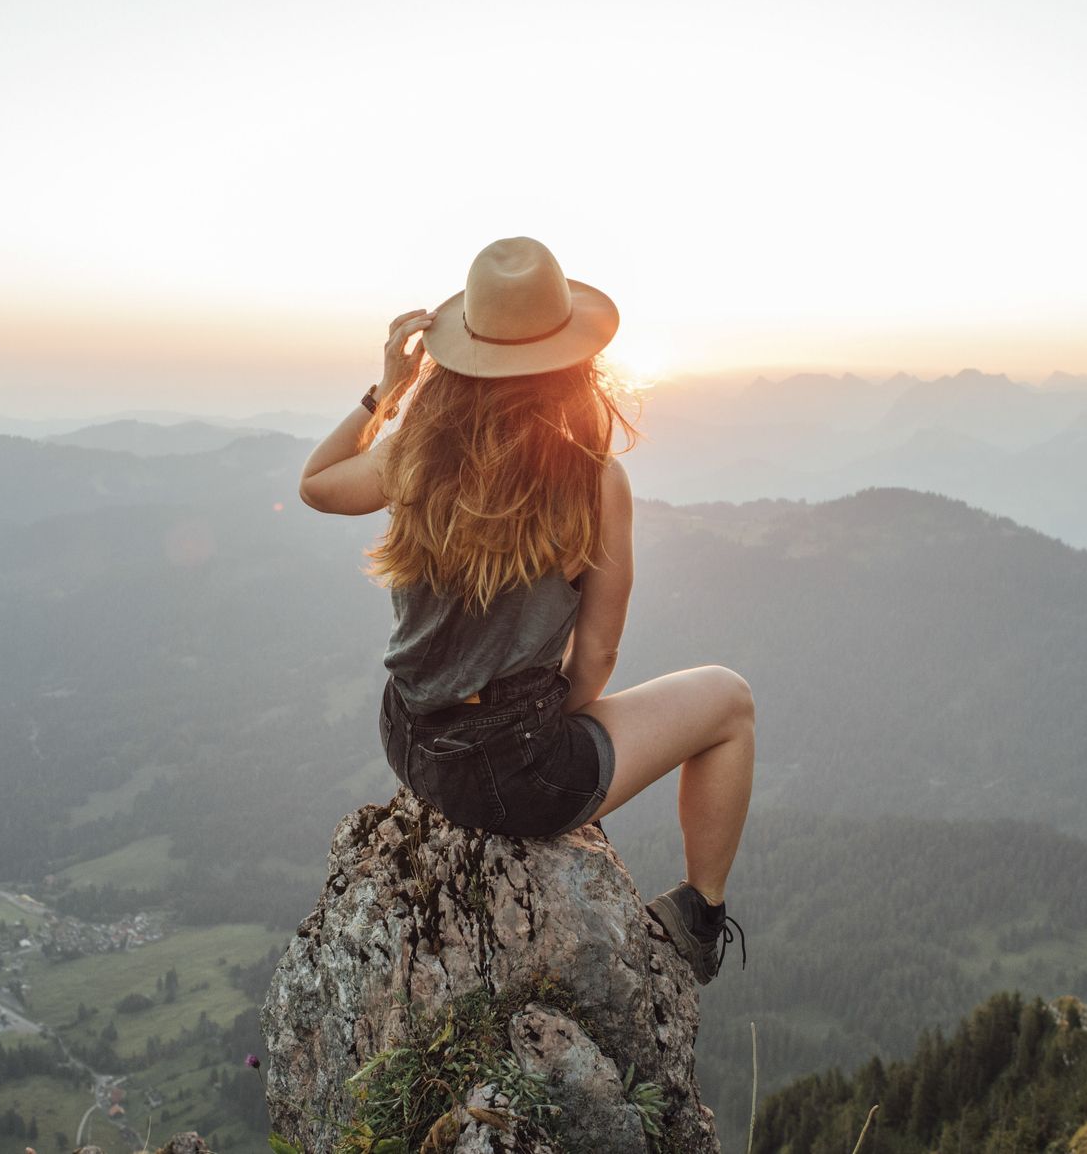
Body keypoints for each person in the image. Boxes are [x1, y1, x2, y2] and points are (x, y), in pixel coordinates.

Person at [298, 236, 753, 986]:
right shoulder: (593, 482)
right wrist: (540, 732)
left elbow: (315, 486)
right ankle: (699, 916)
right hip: (511, 772)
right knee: (729, 702)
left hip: (407, 737)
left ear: (461, 351)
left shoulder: (415, 451)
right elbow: (599, 654)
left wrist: (385, 390)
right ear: (577, 358)